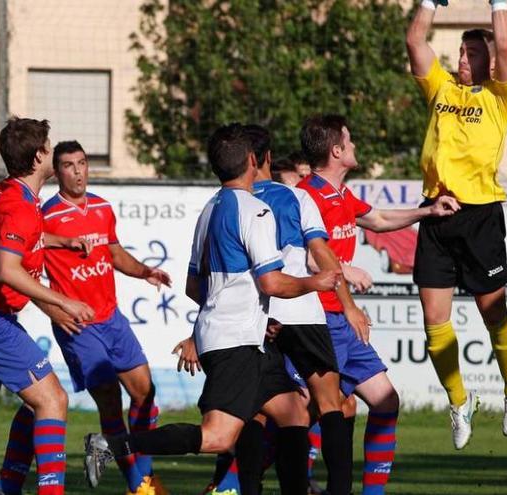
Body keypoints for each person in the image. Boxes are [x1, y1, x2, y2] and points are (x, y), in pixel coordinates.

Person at [83, 124, 340, 495]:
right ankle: (113, 445)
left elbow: (193, 286)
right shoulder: (256, 210)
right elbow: (272, 283)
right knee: (218, 437)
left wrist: (247, 312)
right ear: (254, 161)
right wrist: (314, 283)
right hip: (235, 342)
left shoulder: (211, 207)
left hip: (237, 335)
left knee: (294, 413)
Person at [298, 114, 460, 494]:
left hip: (341, 316)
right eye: (349, 141)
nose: (354, 146)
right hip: (316, 315)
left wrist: (429, 211)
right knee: (300, 413)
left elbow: (380, 218)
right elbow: (301, 255)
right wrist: (345, 269)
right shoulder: (306, 195)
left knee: (385, 401)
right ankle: (233, 478)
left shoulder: (340, 194)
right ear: (337, 151)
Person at [189, 124, 355, 495]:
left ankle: (244, 487)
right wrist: (347, 302)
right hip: (299, 309)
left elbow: (205, 283)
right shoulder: (293, 197)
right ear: (263, 158)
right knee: (335, 404)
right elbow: (321, 252)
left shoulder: (219, 204)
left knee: (260, 409)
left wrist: (196, 330)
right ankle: (337, 490)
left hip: (258, 319)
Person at [0, 117, 95, 495]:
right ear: (39, 155)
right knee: (52, 400)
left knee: (38, 403)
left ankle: (7, 488)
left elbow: (24, 238)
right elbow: (8, 270)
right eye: (49, 145)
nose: (53, 150)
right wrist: (63, 301)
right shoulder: (21, 207)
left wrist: (61, 241)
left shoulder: (14, 194)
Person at [406, 0, 507, 449]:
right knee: (435, 323)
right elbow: (415, 40)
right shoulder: (441, 89)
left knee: (492, 313)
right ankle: (460, 401)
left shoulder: (500, 96)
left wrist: (499, 3)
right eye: (460, 52)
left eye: (472, 54)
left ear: (490, 62)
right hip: (437, 212)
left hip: (480, 216)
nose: (462, 60)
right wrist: (429, 2)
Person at [35, 140, 171, 495]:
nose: (78, 171)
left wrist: (144, 272)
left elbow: (114, 253)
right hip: (78, 326)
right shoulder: (45, 217)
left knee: (145, 392)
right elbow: (26, 274)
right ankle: (138, 486)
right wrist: (55, 310)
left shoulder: (102, 207)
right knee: (109, 395)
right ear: (57, 171)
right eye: (68, 165)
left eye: (82, 163)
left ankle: (141, 471)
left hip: (112, 319)